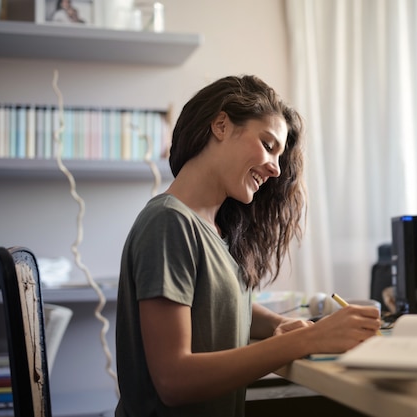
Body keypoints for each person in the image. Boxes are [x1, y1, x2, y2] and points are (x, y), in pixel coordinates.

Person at [114, 75, 381, 417]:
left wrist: (277, 326)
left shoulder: (210, 228)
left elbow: (219, 302)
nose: (275, 168)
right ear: (222, 125)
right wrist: (305, 341)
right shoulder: (169, 224)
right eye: (269, 145)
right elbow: (173, 381)